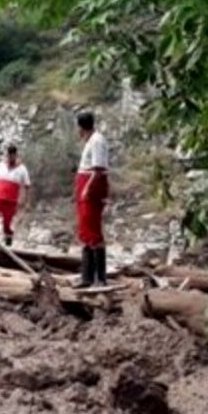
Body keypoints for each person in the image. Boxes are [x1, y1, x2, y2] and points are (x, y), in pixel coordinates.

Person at [75, 111, 110, 287]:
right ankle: (86, 277)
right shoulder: (91, 140)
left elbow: (97, 170)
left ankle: (100, 278)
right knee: (85, 228)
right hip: (85, 184)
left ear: (81, 127)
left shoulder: (97, 141)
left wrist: (87, 189)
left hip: (91, 186)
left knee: (93, 229)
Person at [0, 144, 31, 247]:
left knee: (7, 225)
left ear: (15, 155)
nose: (10, 158)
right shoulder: (0, 166)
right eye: (8, 156)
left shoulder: (22, 169)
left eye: (12, 156)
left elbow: (27, 186)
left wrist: (25, 201)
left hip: (11, 201)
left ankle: (8, 246)